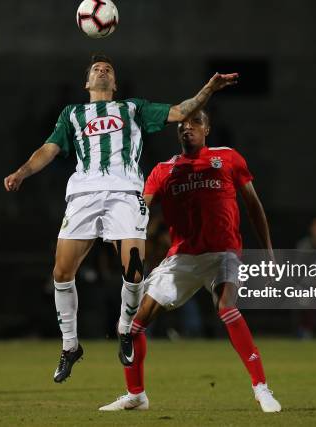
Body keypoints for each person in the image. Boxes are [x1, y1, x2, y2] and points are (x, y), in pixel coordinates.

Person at [3, 54, 238, 383]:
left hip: (126, 193)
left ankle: (125, 330)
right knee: (61, 271)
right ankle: (70, 346)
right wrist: (22, 172)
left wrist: (208, 90)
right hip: (83, 195)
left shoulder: (134, 108)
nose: (102, 71)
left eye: (108, 70)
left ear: (115, 84)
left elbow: (181, 112)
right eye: (96, 69)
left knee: (134, 269)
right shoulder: (72, 114)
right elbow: (50, 148)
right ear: (87, 83)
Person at [99, 110, 281, 413]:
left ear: (207, 128)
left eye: (195, 123)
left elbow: (254, 207)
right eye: (182, 125)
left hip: (223, 251)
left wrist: (269, 252)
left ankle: (261, 388)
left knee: (226, 305)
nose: (187, 128)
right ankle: (136, 395)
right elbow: (140, 212)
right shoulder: (164, 170)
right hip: (182, 257)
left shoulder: (228, 158)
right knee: (134, 323)